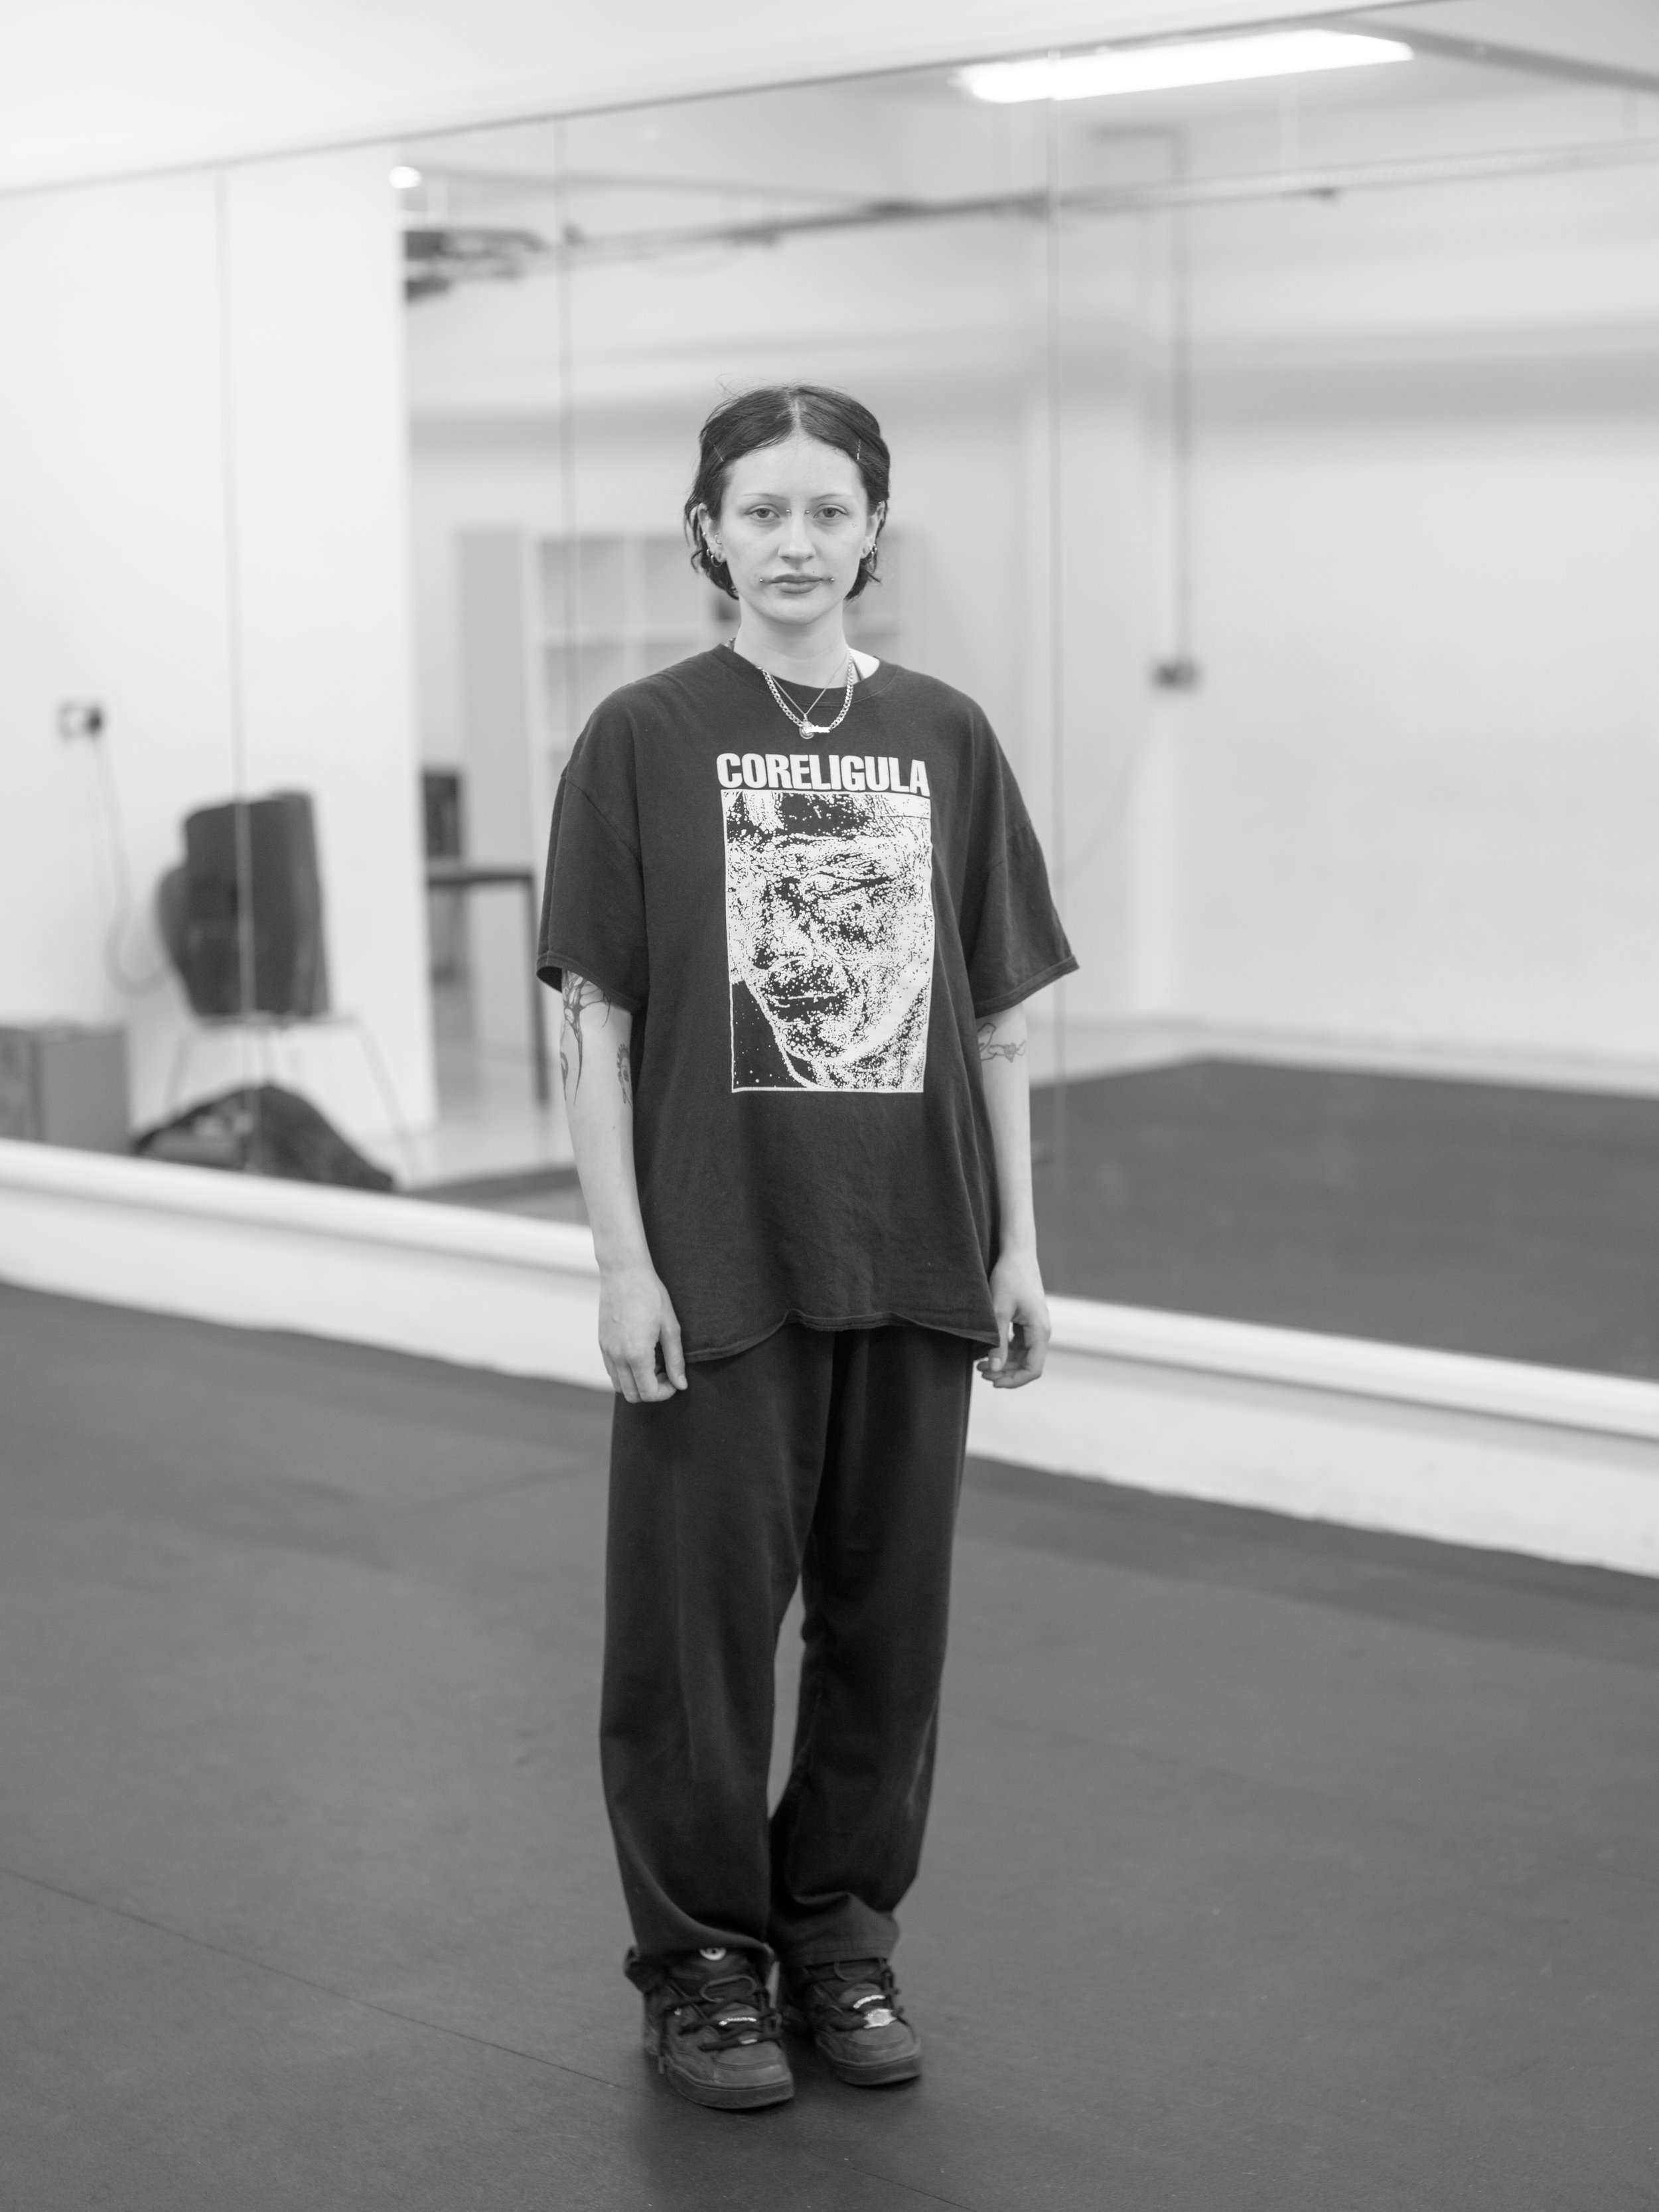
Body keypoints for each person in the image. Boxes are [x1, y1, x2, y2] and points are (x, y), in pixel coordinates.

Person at [537, 383, 1076, 2112]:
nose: (791, 542)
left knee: (886, 1630)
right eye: (757, 511)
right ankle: (701, 1958)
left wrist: (1017, 1245)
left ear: (869, 532)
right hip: (719, 1253)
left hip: (918, 1246)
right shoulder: (641, 733)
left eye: (823, 512)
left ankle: (837, 1930)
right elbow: (593, 1027)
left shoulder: (943, 734)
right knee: (692, 1639)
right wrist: (622, 1261)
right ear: (704, 530)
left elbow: (995, 1022)